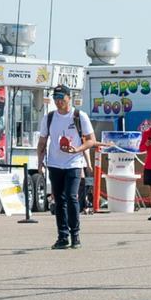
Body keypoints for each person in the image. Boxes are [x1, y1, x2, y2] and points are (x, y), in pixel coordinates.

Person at [37, 85, 94, 249]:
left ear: (69, 97)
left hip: (74, 163)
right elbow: (42, 142)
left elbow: (90, 140)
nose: (58, 101)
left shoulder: (79, 116)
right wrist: (39, 162)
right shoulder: (48, 118)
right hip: (54, 164)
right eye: (56, 98)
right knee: (59, 200)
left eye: (61, 97)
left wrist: (78, 149)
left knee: (71, 196)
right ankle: (63, 236)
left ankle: (75, 234)